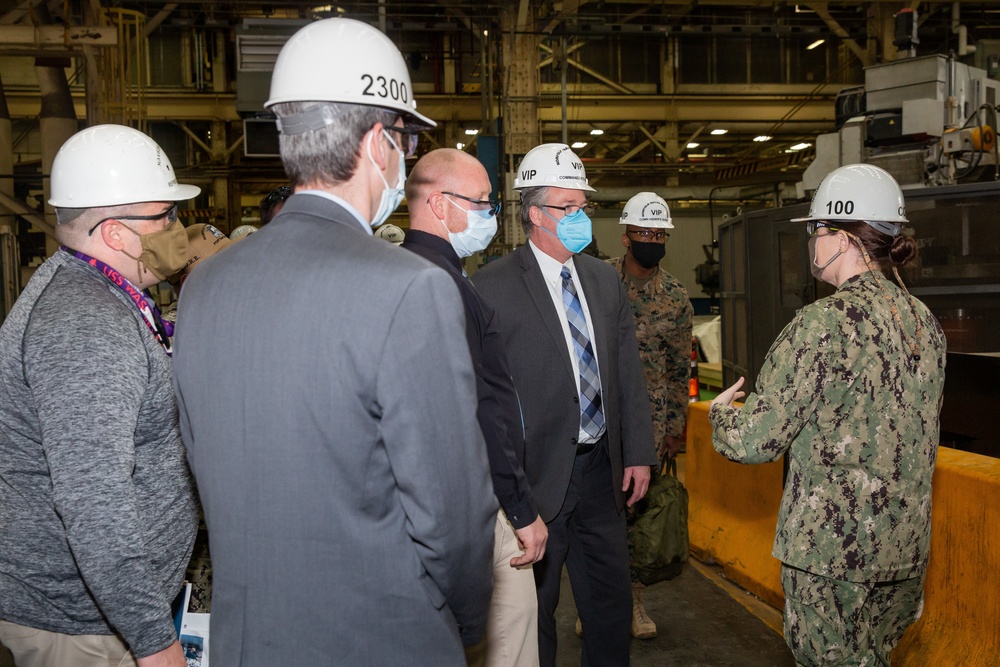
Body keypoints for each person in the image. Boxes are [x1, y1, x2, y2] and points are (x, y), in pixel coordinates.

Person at [171, 18, 496, 667]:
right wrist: (462, 622)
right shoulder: (408, 289)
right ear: (379, 143)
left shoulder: (205, 286)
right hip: (382, 641)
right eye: (405, 139)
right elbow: (452, 519)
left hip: (250, 640)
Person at [709, 163, 946, 665]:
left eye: (817, 231)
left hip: (830, 556)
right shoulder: (924, 321)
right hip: (902, 550)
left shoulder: (824, 323)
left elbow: (757, 441)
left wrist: (721, 415)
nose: (812, 242)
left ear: (841, 238)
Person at [0, 124, 200, 667]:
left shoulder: (101, 294)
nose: (177, 228)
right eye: (165, 216)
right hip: (83, 627)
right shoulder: (84, 324)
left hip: (106, 615)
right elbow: (93, 504)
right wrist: (154, 641)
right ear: (115, 233)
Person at [472, 143, 657, 667]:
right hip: (535, 479)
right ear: (535, 213)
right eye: (567, 208)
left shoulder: (602, 280)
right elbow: (484, 395)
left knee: (609, 604)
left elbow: (626, 371)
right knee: (538, 610)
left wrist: (638, 451)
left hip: (602, 472)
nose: (580, 218)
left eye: (584, 207)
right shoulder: (491, 288)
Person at [402, 148, 548, 667]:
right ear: (441, 205)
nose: (490, 215)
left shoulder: (408, 274)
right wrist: (520, 507)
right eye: (482, 203)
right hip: (478, 501)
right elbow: (479, 408)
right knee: (509, 637)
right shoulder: (443, 286)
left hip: (426, 504)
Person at [608, 191, 693, 640]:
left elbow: (681, 368)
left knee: (639, 517)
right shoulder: (598, 281)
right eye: (643, 232)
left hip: (652, 425)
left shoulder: (676, 296)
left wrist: (676, 431)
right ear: (626, 237)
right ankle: (601, 602)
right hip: (601, 421)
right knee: (601, 516)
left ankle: (635, 602)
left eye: (658, 234)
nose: (651, 240)